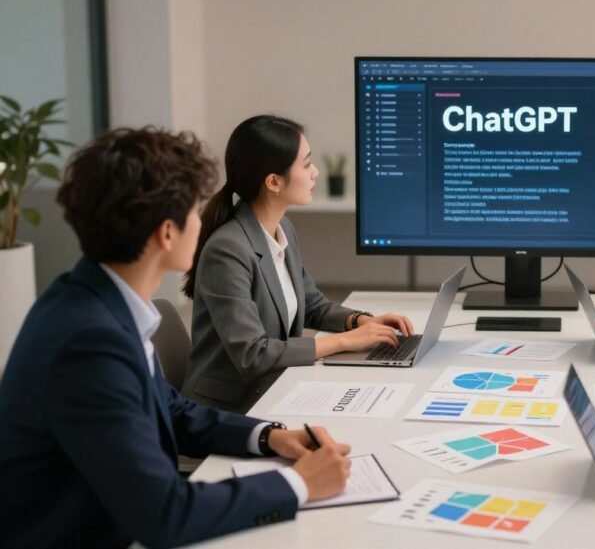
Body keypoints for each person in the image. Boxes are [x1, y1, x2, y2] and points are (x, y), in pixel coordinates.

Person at [0, 127, 353, 548]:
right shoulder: (89, 342)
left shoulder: (92, 301)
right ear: (166, 232)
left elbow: (170, 408)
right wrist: (297, 485)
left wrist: (269, 436)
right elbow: (165, 515)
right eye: (194, 211)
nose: (203, 222)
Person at [183, 115, 412, 413]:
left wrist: (362, 321)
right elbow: (253, 354)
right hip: (228, 409)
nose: (315, 172)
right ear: (274, 182)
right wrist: (344, 342)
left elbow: (311, 303)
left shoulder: (283, 227)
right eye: (306, 164)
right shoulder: (228, 250)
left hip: (274, 388)